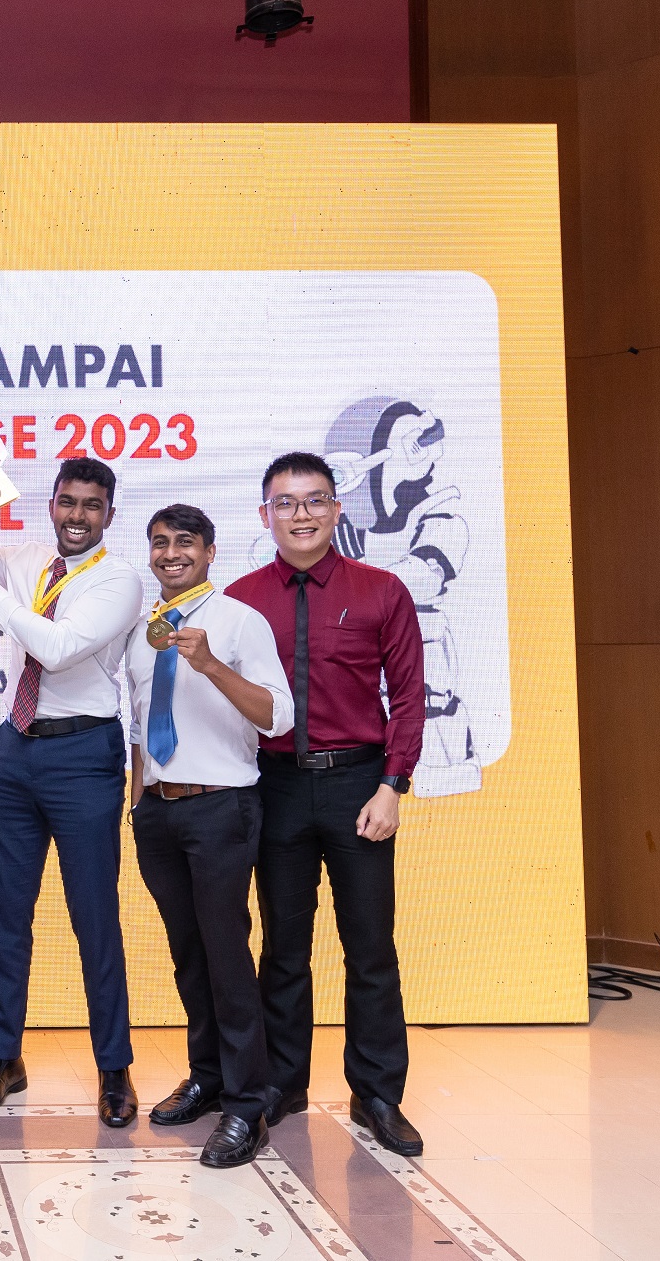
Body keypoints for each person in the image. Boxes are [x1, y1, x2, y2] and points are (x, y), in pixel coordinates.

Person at [0, 448, 147, 1128]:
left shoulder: (120, 580)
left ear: (108, 514)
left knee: (94, 920)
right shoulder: (24, 560)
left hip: (84, 753)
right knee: (4, 919)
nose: (77, 516)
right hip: (16, 752)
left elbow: (55, 647)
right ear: (52, 503)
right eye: (68, 502)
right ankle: (2, 1056)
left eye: (91, 506)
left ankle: (114, 1067)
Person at [226, 451, 427, 1157]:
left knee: (370, 947)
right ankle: (282, 1083)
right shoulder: (241, 598)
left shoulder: (381, 590)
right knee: (282, 947)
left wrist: (392, 785)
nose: (302, 514)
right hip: (274, 787)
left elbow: (407, 696)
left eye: (315, 501)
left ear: (338, 510)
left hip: (358, 786)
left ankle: (377, 1093)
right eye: (286, 502)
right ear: (266, 516)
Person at [125, 504, 293, 1168]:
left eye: (185, 543)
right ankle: (208, 1075)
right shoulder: (145, 630)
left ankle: (248, 1105)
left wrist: (214, 666)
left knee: (226, 955)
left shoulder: (238, 620)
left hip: (221, 808)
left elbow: (278, 716)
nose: (172, 553)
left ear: (210, 552)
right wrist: (136, 798)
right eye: (161, 543)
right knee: (188, 954)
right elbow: (142, 720)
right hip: (159, 813)